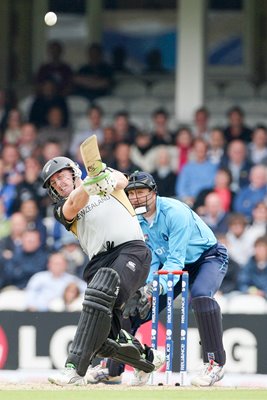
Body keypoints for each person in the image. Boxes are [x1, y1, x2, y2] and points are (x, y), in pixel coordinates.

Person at [95, 171, 229, 387]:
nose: (136, 197)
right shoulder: (136, 221)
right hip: (170, 265)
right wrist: (144, 289)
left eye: (141, 191)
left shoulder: (175, 212)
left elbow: (176, 260)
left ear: (154, 192)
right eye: (132, 193)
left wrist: (153, 289)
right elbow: (152, 258)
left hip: (206, 257)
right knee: (132, 305)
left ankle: (215, 364)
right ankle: (116, 368)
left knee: (201, 296)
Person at [41, 156, 164, 386]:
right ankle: (148, 359)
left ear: (73, 171)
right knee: (104, 337)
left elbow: (123, 181)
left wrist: (105, 179)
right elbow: (73, 206)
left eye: (60, 176)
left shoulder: (102, 178)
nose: (58, 183)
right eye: (53, 183)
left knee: (102, 296)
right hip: (99, 261)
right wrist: (90, 185)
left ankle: (73, 370)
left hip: (131, 250)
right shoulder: (62, 207)